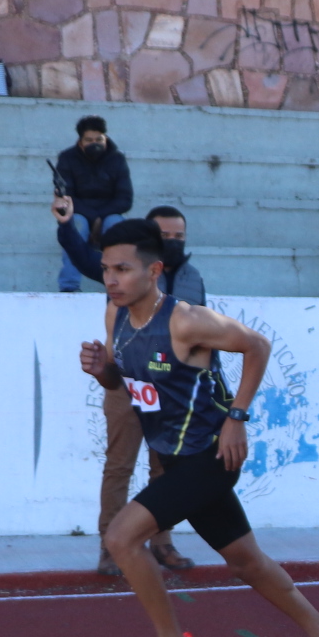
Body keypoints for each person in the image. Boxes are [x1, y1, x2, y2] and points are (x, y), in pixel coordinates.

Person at [78, 217, 319, 637]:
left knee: (122, 538)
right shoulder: (116, 316)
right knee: (247, 562)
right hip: (173, 459)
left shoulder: (186, 319)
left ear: (155, 271)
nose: (111, 280)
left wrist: (237, 417)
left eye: (122, 269)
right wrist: (105, 373)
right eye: (106, 269)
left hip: (210, 456)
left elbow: (258, 345)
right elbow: (128, 384)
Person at [57, 198, 201, 575]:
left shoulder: (192, 277)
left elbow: (203, 334)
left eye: (179, 236)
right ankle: (110, 547)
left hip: (172, 390)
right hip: (126, 382)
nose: (173, 241)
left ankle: (162, 541)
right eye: (165, 235)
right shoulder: (126, 273)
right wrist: (67, 225)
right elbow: (86, 258)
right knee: (119, 465)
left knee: (166, 469)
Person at [53, 117, 132, 295]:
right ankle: (69, 286)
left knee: (116, 226)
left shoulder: (117, 159)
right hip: (79, 211)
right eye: (89, 140)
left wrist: (100, 217)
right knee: (77, 225)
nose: (94, 144)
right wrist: (92, 218)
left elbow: (125, 198)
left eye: (99, 140)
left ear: (105, 139)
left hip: (109, 213)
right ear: (80, 142)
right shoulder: (67, 158)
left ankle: (119, 285)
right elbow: (66, 195)